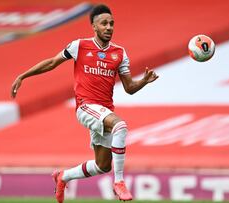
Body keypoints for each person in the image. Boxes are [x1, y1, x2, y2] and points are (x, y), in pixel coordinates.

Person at [11, 4, 158, 203]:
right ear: (94, 27)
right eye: (104, 23)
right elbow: (52, 63)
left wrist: (144, 81)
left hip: (103, 112)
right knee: (121, 126)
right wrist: (23, 75)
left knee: (102, 165)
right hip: (85, 107)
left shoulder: (120, 53)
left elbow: (129, 87)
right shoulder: (79, 46)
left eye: (111, 23)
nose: (109, 27)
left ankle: (63, 176)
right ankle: (120, 182)